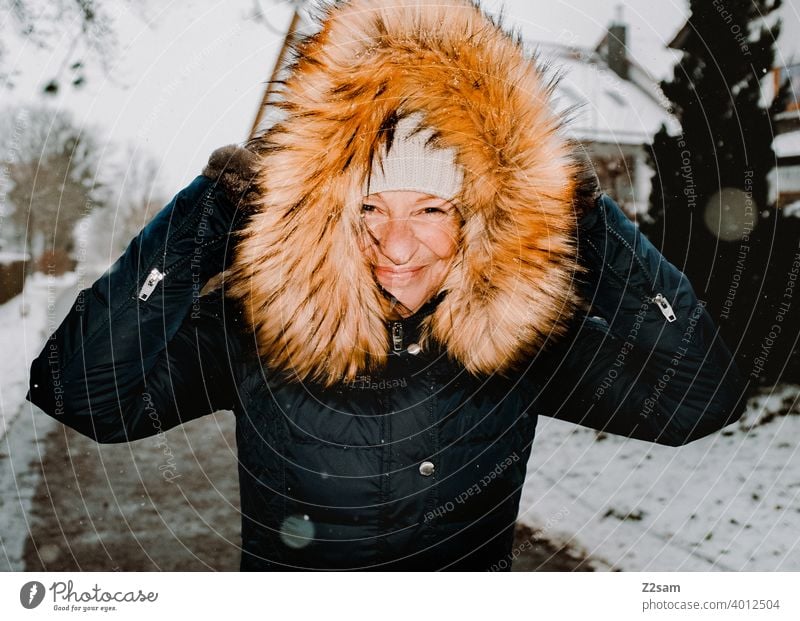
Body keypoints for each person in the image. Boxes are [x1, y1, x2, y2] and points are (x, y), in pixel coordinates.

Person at [27, 0, 745, 571]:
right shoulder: (264, 323)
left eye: (431, 209)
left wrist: (590, 225)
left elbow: (698, 402)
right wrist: (202, 216)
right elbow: (82, 395)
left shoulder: (521, 335)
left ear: (477, 222)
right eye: (369, 207)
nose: (396, 245)